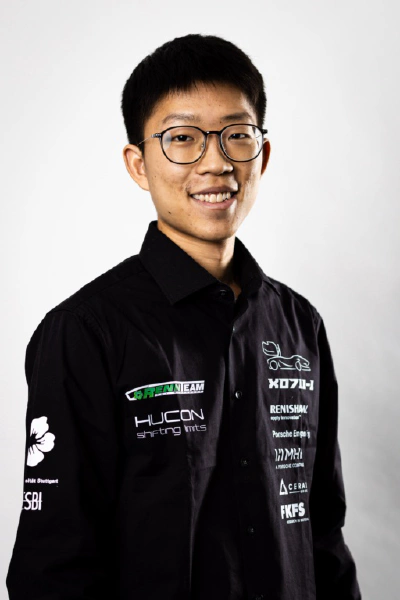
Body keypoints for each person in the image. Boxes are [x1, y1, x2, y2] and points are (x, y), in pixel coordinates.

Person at [6, 33, 361, 600]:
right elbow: (54, 567)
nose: (216, 162)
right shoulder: (85, 331)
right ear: (138, 165)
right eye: (183, 138)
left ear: (263, 154)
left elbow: (323, 535)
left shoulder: (300, 326)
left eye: (237, 135)